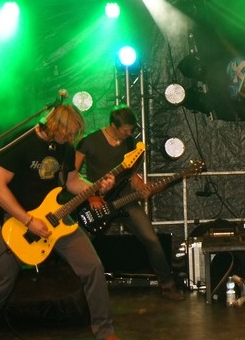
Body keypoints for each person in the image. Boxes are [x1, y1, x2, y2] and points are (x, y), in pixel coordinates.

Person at [0, 104, 127, 340]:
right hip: (20, 223)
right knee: (0, 284)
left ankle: (105, 332)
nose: (71, 139)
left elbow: (72, 182)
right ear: (55, 126)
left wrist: (97, 187)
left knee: (93, 267)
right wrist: (28, 220)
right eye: (68, 133)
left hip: (57, 220)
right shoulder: (21, 142)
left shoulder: (64, 147)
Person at [75, 105, 185, 301]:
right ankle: (72, 288)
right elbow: (72, 174)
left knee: (152, 239)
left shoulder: (130, 143)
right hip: (97, 202)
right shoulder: (89, 141)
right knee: (79, 245)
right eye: (126, 130)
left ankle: (168, 285)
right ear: (113, 126)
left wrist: (142, 187)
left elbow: (131, 174)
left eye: (131, 130)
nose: (129, 133)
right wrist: (90, 195)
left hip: (125, 199)